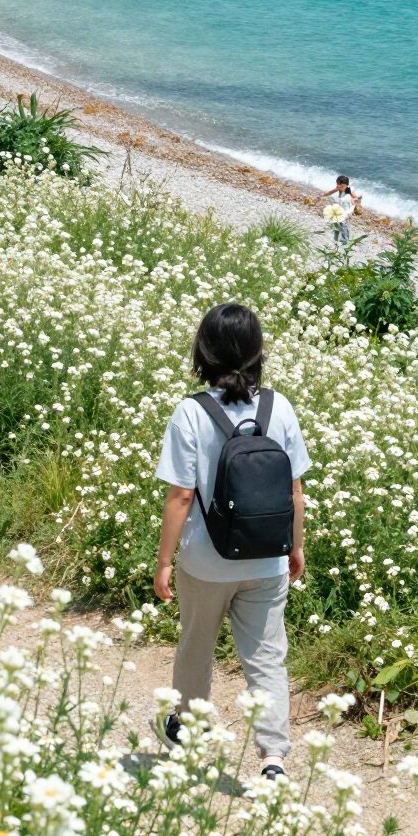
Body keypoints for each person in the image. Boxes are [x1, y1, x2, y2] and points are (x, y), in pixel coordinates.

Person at [152, 302, 309, 780]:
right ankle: (274, 759)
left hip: (206, 560)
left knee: (196, 646)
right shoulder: (278, 406)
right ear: (258, 352)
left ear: (203, 351)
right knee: (265, 658)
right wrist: (295, 546)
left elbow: (181, 496)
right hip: (266, 559)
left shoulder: (191, 411)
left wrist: (162, 563)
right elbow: (295, 489)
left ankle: (188, 733)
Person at [322, 174, 361, 245]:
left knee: (344, 224)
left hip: (348, 210)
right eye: (337, 183)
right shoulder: (339, 188)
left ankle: (345, 240)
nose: (337, 185)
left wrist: (354, 200)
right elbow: (331, 192)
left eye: (338, 184)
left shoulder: (349, 190)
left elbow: (357, 198)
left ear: (343, 185)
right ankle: (336, 237)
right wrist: (324, 194)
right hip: (342, 207)